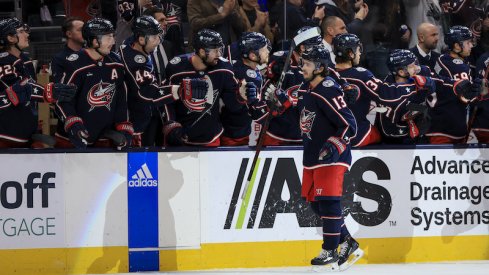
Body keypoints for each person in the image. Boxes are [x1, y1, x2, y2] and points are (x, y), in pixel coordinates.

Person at [297, 45, 362, 271]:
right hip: (313, 155)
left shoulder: (327, 90)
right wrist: (278, 102)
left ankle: (330, 251)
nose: (302, 67)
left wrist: (336, 143)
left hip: (332, 155)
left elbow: (349, 125)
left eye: (307, 64)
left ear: (320, 67)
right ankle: (348, 242)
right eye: (302, 63)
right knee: (316, 204)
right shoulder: (307, 88)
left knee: (329, 202)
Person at [333, 33, 435, 147]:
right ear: (350, 53)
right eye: (358, 49)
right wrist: (416, 86)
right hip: (356, 133)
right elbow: (387, 96)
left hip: (332, 134)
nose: (360, 52)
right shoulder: (362, 75)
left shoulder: (328, 74)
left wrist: (421, 110)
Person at [120, 15, 207, 147]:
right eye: (154, 37)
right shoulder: (135, 61)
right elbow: (147, 93)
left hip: (142, 117)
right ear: (141, 39)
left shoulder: (132, 46)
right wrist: (180, 90)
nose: (158, 40)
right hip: (133, 125)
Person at [54, 18, 133, 150]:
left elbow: (121, 98)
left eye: (113, 36)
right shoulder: (75, 64)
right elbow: (62, 99)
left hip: (104, 137)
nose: (113, 42)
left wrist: (123, 125)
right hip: (72, 138)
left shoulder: (116, 62)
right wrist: (73, 124)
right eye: (108, 37)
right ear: (95, 41)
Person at [0, 18, 76, 148]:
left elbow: (31, 99)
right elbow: (18, 91)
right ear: (10, 38)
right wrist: (49, 92)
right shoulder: (3, 62)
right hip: (5, 135)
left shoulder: (25, 60)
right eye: (22, 32)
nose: (27, 34)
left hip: (24, 133)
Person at [164, 29, 240, 146]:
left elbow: (233, 105)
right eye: (215, 51)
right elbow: (165, 99)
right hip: (180, 138)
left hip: (211, 138)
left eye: (220, 49)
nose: (219, 54)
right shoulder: (176, 69)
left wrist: (242, 96)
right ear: (202, 52)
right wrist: (171, 124)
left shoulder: (224, 68)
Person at [429, 25, 475, 144]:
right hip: (447, 129)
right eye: (468, 42)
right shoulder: (458, 66)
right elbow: (467, 97)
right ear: (456, 46)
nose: (471, 45)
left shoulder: (442, 58)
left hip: (441, 123)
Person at [223, 32, 270, 145]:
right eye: (264, 50)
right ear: (252, 56)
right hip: (236, 134)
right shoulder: (251, 77)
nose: (268, 51)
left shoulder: (236, 63)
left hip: (226, 127)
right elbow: (257, 111)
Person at [51, 17, 85, 83]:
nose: (85, 32)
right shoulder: (59, 58)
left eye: (85, 29)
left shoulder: (92, 54)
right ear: (69, 34)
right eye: (80, 30)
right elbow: (59, 85)